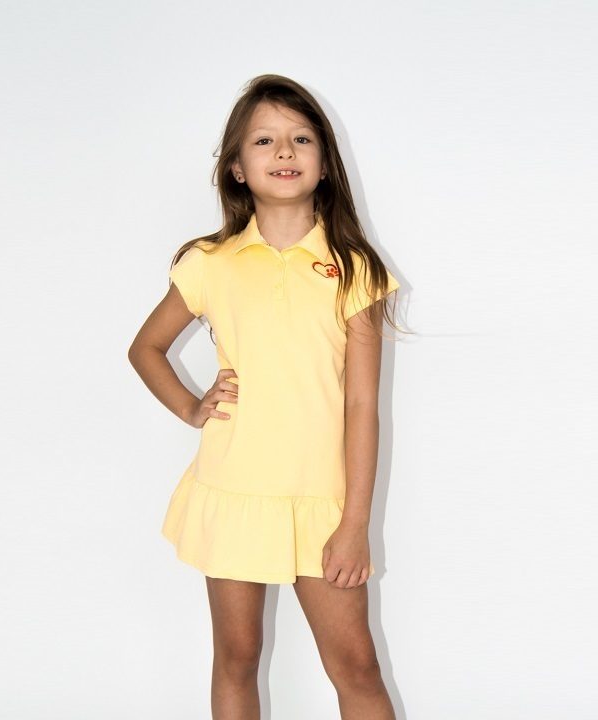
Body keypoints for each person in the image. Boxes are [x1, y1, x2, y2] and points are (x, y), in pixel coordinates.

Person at [128, 73, 405, 719]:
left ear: (325, 163)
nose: (284, 151)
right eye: (264, 140)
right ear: (237, 168)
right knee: (237, 657)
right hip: (234, 489)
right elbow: (146, 348)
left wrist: (355, 524)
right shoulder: (210, 262)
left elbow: (363, 407)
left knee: (357, 667)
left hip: (322, 502)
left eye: (301, 138)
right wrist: (191, 406)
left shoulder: (355, 268)